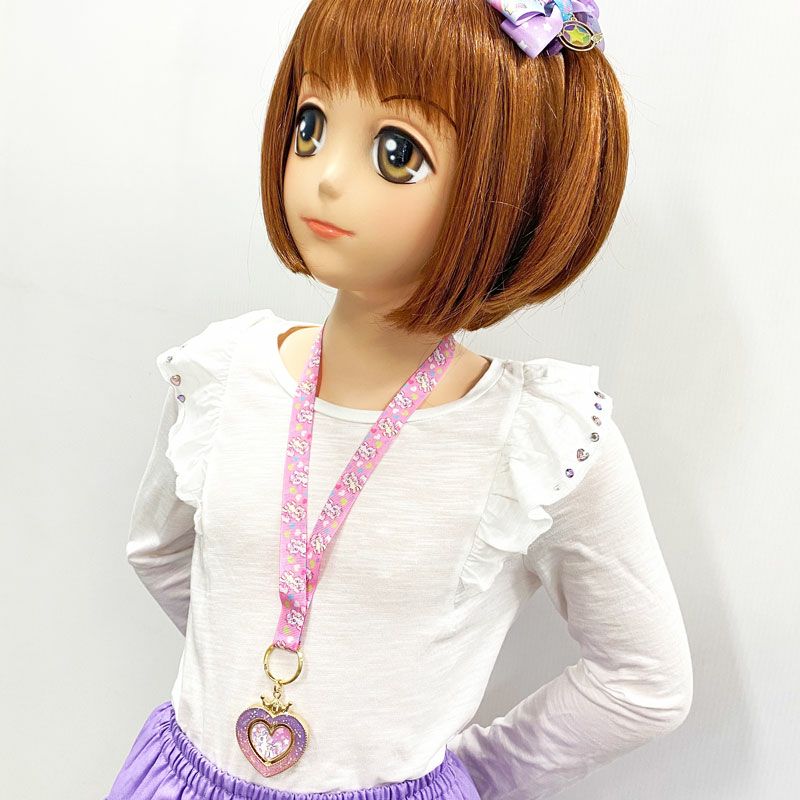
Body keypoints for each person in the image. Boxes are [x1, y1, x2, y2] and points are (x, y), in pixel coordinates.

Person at [106, 1, 693, 799]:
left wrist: (467, 773)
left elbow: (646, 680)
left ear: (510, 190)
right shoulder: (223, 374)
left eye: (396, 151)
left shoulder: (539, 442)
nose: (327, 175)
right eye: (310, 124)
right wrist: (238, 661)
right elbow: (160, 551)